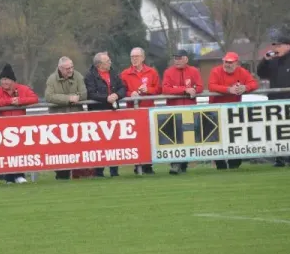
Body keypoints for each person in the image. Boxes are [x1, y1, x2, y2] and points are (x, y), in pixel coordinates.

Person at [257, 35, 290, 167]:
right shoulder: (272, 61)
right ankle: (279, 160)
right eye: (275, 46)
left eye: (279, 45)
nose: (276, 48)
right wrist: (265, 60)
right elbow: (261, 73)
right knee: (276, 132)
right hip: (275, 102)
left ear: (288, 46)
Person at [0, 63, 39, 184]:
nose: (4, 82)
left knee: (20, 151)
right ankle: (9, 178)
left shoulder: (22, 89)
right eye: (2, 79)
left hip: (20, 126)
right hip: (4, 128)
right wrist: (10, 101)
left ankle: (20, 175)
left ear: (13, 81)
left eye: (6, 79)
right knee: (7, 152)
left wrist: (20, 101)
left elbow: (34, 98)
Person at [208, 52, 259, 170]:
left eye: (230, 62)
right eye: (226, 62)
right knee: (218, 138)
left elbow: (254, 83)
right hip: (217, 110)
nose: (227, 65)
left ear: (237, 63)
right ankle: (220, 164)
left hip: (234, 111)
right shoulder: (216, 71)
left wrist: (245, 87)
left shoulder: (242, 72)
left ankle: (234, 163)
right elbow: (212, 86)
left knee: (235, 137)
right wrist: (228, 89)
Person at [84, 52, 127, 178]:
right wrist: (106, 98)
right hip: (98, 113)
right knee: (99, 144)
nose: (110, 63)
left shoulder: (113, 73)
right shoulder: (90, 76)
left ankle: (114, 171)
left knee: (114, 143)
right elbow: (90, 94)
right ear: (99, 65)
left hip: (113, 113)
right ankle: (99, 172)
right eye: (107, 61)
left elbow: (122, 88)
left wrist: (117, 95)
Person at [45, 56, 88, 180]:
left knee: (79, 149)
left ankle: (79, 175)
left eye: (72, 67)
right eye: (67, 68)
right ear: (60, 68)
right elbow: (49, 96)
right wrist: (68, 99)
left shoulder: (78, 76)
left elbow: (84, 92)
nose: (70, 70)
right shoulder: (51, 80)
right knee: (61, 151)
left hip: (77, 120)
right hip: (58, 122)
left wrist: (77, 97)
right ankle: (61, 175)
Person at [161, 50, 203, 175]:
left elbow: (200, 87)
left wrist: (191, 89)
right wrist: (185, 90)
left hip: (190, 111)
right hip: (173, 111)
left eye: (179, 58)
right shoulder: (168, 72)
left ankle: (183, 165)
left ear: (186, 59)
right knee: (175, 138)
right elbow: (165, 89)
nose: (177, 60)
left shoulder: (194, 71)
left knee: (188, 139)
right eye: (175, 58)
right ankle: (175, 164)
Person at [120, 47, 160, 175]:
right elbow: (121, 90)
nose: (134, 59)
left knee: (149, 139)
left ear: (143, 58)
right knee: (135, 140)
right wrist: (129, 93)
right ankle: (138, 166)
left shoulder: (152, 72)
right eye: (132, 57)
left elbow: (158, 89)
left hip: (148, 111)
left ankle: (148, 166)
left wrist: (148, 90)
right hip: (132, 112)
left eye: (136, 56)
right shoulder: (125, 74)